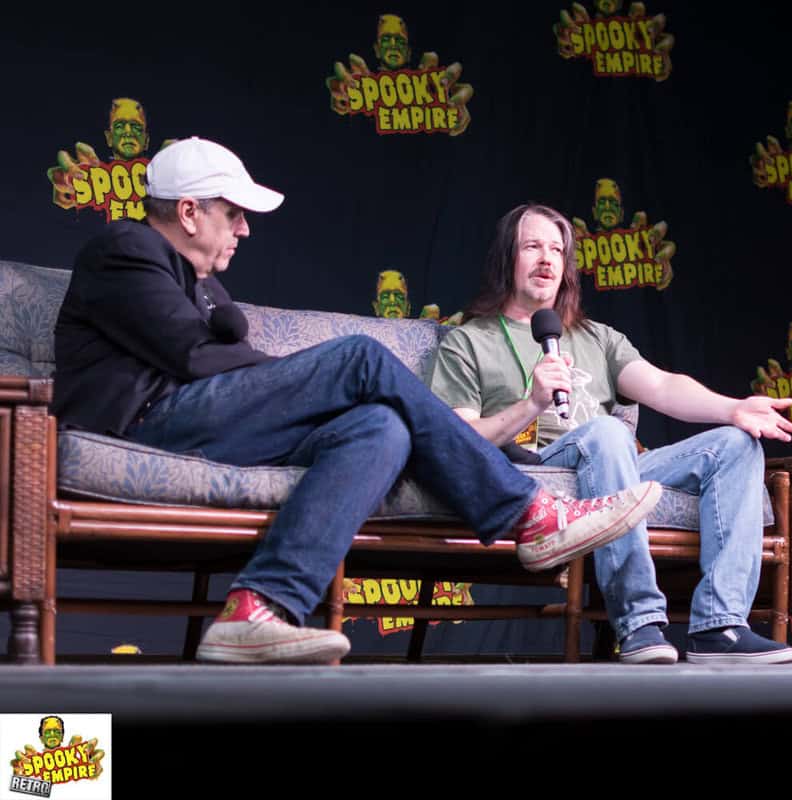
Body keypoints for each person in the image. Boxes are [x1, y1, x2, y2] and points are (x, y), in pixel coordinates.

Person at [51, 138, 661, 664]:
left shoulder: (199, 281)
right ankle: (530, 514)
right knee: (359, 360)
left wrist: (305, 389)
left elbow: (219, 364)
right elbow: (193, 358)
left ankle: (259, 607)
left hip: (205, 419)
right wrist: (307, 381)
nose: (244, 228)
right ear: (189, 211)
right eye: (233, 213)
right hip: (146, 424)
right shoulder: (125, 250)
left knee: (381, 427)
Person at [428, 203, 792, 665]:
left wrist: (733, 408)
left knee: (735, 443)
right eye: (532, 247)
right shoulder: (468, 341)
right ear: (507, 258)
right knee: (606, 431)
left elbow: (662, 386)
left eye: (556, 250)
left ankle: (719, 628)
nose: (546, 259)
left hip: (614, 460)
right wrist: (531, 404)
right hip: (541, 466)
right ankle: (639, 621)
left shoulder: (597, 338)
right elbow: (459, 439)